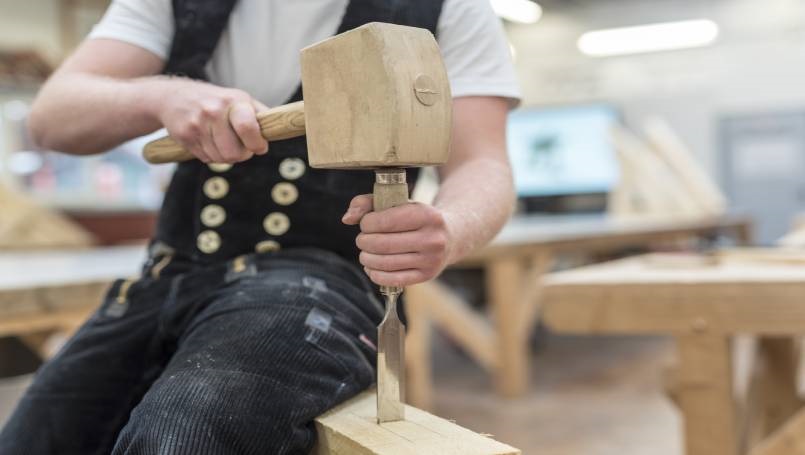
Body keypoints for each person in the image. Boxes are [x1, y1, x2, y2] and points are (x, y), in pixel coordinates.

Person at [0, 0, 520, 453]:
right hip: (167, 272)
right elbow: (52, 118)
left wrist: (448, 228)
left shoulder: (451, 6)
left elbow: (482, 164)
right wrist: (162, 97)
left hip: (322, 278)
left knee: (184, 434)